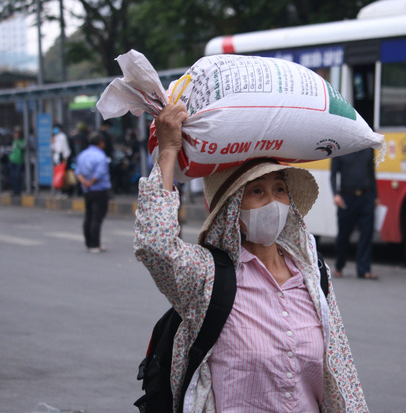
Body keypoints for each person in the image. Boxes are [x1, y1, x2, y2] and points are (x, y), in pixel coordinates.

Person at [134, 103, 368, 412]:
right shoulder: (207, 278)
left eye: (280, 189)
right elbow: (155, 245)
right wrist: (167, 152)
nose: (273, 201)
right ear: (233, 212)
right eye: (257, 191)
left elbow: (340, 376)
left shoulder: (312, 274)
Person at [330, 148, 379, 280]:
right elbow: (333, 175)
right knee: (344, 235)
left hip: (366, 196)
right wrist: (335, 194)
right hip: (347, 197)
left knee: (367, 233)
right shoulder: (340, 150)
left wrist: (375, 196)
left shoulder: (368, 150)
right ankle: (339, 265)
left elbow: (372, 173)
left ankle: (364, 269)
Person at [75, 132, 111, 253]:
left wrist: (85, 182)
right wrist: (91, 182)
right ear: (100, 143)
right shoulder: (101, 156)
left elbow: (78, 172)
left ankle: (89, 243)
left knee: (88, 216)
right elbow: (100, 173)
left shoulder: (82, 155)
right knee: (97, 217)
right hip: (99, 190)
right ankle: (95, 244)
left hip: (87, 190)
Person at [51, 123, 71, 198]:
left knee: (63, 176)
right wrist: (52, 142)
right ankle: (59, 190)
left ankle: (64, 192)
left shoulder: (62, 136)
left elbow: (66, 149)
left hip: (62, 157)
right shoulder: (55, 137)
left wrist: (65, 159)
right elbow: (53, 148)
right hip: (57, 158)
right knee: (58, 176)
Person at [9, 126, 26, 196]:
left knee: (17, 176)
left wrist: (18, 141)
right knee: (13, 177)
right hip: (12, 160)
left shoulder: (21, 141)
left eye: (17, 133)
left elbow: (23, 147)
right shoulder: (14, 141)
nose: (15, 135)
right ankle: (14, 190)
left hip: (18, 161)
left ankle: (17, 191)